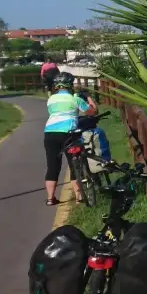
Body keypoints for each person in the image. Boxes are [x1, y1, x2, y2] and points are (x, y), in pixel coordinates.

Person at [42, 73, 97, 206]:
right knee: (75, 164)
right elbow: (92, 112)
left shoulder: (51, 99)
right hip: (68, 133)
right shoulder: (75, 99)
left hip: (50, 133)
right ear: (70, 85)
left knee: (53, 165)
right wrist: (88, 98)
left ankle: (50, 198)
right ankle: (79, 197)